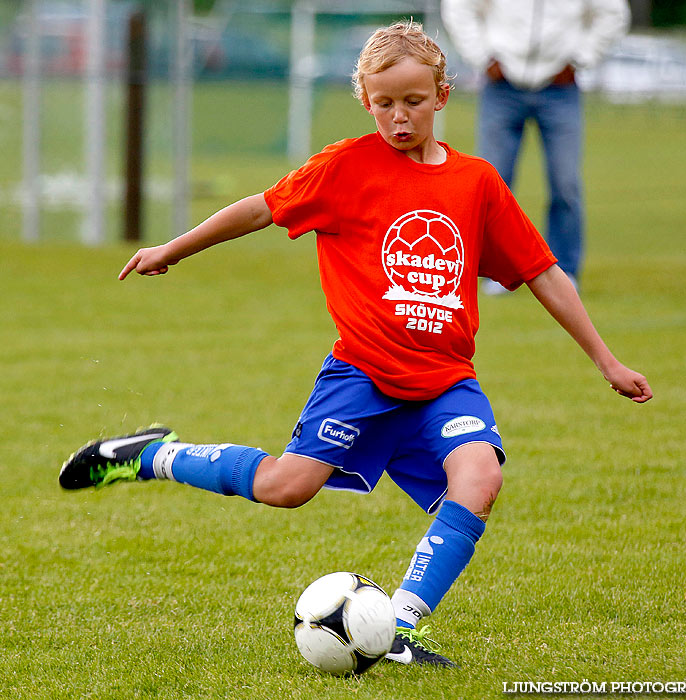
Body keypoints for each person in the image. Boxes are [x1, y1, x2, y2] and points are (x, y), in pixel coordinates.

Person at [59, 21, 652, 668]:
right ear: (365, 101)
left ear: (443, 95)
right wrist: (173, 248)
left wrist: (607, 360)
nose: (399, 118)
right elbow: (261, 207)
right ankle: (151, 456)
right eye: (384, 104)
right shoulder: (345, 167)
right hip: (362, 375)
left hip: (445, 381)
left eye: (414, 102)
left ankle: (398, 627)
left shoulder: (477, 183)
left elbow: (542, 271)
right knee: (286, 487)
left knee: (480, 477)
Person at [441, 0, 631, 293]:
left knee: (565, 183)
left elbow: (613, 13)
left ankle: (565, 271)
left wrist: (580, 58)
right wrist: (482, 57)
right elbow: (458, 7)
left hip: (561, 87)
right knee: (492, 182)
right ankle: (497, 271)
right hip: (501, 86)